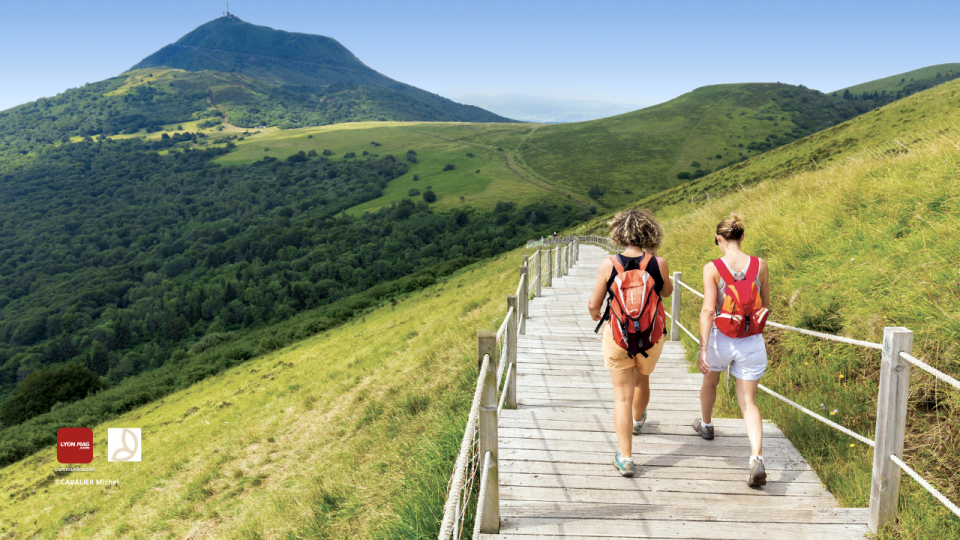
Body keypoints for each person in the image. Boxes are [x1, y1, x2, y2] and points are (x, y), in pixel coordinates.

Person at [588, 209, 672, 477]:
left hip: (618, 335)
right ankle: (638, 421)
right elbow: (666, 292)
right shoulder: (659, 263)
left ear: (619, 232)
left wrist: (595, 314)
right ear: (650, 232)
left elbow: (593, 304)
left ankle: (626, 458)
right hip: (650, 336)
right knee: (642, 380)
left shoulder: (609, 264)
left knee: (621, 397)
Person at [692, 214, 770, 487]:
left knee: (710, 381)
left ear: (719, 239)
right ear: (743, 237)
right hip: (751, 340)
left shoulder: (712, 268)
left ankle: (707, 424)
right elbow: (766, 304)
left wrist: (703, 348)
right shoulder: (760, 265)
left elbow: (707, 310)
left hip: (720, 338)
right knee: (748, 402)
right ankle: (756, 457)